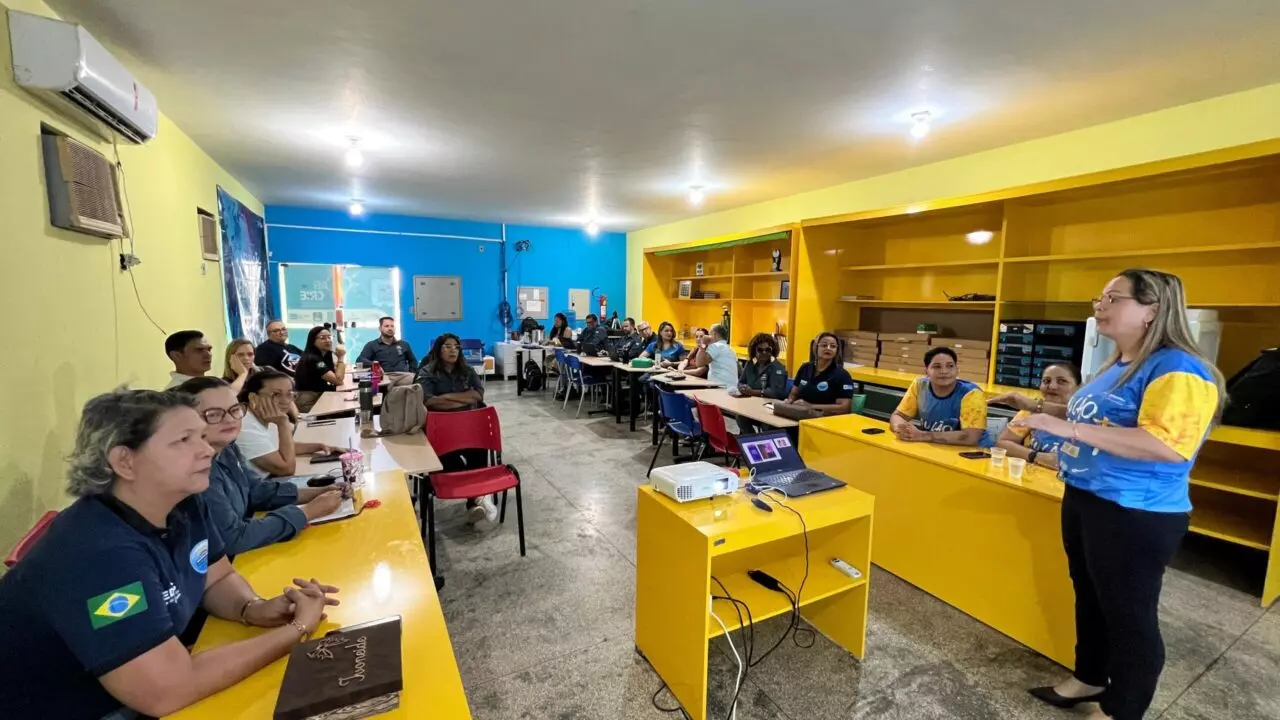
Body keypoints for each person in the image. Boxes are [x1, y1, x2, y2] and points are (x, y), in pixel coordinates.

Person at [0, 388, 340, 718]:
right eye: (184, 440)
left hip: (146, 682)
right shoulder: (96, 552)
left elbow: (216, 576)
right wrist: (297, 629)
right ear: (125, 461)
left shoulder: (184, 502)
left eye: (201, 437)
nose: (206, 450)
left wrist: (253, 608)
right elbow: (166, 691)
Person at [992, 269, 1223, 720]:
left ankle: (1122, 708)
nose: (1099, 306)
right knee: (1091, 596)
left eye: (1113, 298)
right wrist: (1042, 410)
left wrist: (1063, 426)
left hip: (1134, 512)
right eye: (1100, 297)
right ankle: (1090, 676)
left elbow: (1167, 445)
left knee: (1128, 614)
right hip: (1087, 497)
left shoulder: (1178, 368)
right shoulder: (1119, 363)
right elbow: (1108, 420)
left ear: (1152, 308)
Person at [178, 377, 347, 556]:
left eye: (234, 410)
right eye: (214, 414)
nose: (229, 419)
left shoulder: (227, 448)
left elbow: (256, 491)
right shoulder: (198, 472)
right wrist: (307, 512)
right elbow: (234, 538)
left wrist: (319, 492)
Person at [415, 333, 497, 525]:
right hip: (441, 431)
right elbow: (429, 402)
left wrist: (447, 398)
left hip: (468, 427)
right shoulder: (427, 372)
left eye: (456, 347)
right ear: (438, 349)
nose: (453, 350)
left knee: (479, 451)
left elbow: (478, 395)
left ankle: (474, 502)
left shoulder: (467, 370)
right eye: (448, 346)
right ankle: (479, 495)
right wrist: (462, 397)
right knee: (450, 465)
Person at [233, 369, 340, 479]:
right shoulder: (244, 427)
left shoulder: (267, 415)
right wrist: (283, 423)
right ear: (253, 398)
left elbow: (281, 448)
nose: (285, 401)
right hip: (258, 489)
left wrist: (320, 446)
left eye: (289, 394)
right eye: (276, 394)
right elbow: (287, 469)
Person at [890, 346, 988, 445]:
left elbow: (970, 437)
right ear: (926, 371)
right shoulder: (919, 385)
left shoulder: (972, 393)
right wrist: (900, 428)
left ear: (957, 370)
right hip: (934, 447)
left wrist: (922, 435)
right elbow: (898, 415)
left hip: (973, 452)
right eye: (937, 366)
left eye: (950, 366)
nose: (944, 371)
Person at [995, 362, 1081, 470]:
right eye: (1046, 381)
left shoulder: (1085, 416)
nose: (1052, 386)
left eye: (1062, 381)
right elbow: (1002, 443)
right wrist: (1036, 456)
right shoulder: (1032, 410)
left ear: (1079, 387)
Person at [785, 332, 855, 415]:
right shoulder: (805, 368)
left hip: (825, 420)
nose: (828, 348)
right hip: (800, 414)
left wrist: (811, 406)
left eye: (833, 346)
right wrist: (790, 401)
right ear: (815, 347)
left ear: (837, 350)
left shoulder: (842, 375)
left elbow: (844, 408)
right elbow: (794, 393)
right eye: (824, 345)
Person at [294, 326, 347, 412]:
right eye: (322, 338)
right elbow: (338, 380)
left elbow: (336, 375)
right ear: (313, 341)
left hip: (319, 396)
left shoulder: (321, 356)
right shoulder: (314, 360)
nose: (328, 340)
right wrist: (341, 357)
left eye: (329, 337)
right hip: (309, 401)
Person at [739, 333, 788, 399]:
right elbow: (741, 382)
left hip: (768, 405)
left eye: (768, 350)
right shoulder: (750, 364)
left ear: (772, 351)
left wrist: (752, 392)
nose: (764, 352)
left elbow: (776, 392)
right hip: (749, 402)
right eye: (760, 350)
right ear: (754, 351)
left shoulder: (777, 368)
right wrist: (743, 387)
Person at [696, 324, 739, 389]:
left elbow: (699, 363)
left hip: (719, 387)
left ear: (714, 334)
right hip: (732, 387)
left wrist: (703, 344)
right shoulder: (731, 349)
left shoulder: (715, 346)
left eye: (709, 334)